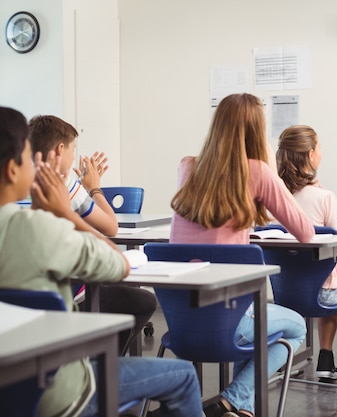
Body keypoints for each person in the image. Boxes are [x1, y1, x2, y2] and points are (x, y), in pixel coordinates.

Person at [0, 106, 203, 417]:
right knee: (185, 376)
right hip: (54, 393)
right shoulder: (41, 226)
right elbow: (117, 262)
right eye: (28, 157)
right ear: (14, 169)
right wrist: (63, 214)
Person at [169, 93, 315, 417]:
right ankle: (232, 399)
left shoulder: (187, 166)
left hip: (180, 323)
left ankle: (240, 409)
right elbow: (305, 231)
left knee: (252, 316)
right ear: (255, 131)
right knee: (295, 327)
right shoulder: (258, 172)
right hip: (230, 322)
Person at [28, 114, 156, 355]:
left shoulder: (19, 182)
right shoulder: (63, 184)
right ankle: (104, 367)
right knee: (141, 299)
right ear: (60, 149)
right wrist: (94, 187)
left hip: (25, 300)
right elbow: (110, 228)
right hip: (68, 295)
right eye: (73, 150)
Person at [276, 125, 337, 384]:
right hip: (323, 296)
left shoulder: (272, 197)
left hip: (285, 293)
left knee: (331, 276)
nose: (322, 152)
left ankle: (324, 359)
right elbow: (335, 246)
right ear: (310, 155)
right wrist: (320, 194)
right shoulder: (325, 197)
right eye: (319, 147)